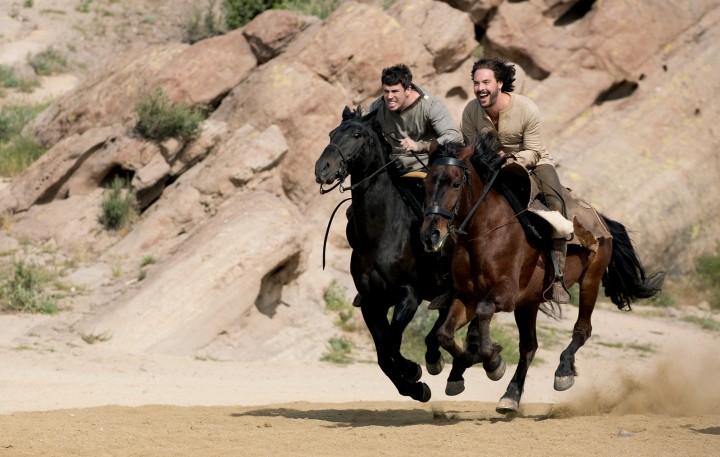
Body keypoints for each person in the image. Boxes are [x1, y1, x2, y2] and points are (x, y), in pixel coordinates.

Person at [460, 56, 571, 304]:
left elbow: (534, 150)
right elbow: (470, 150)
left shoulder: (526, 108)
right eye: (476, 83)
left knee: (556, 204)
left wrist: (509, 158)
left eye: (486, 82)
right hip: (490, 167)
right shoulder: (470, 111)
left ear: (500, 83)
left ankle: (557, 279)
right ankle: (451, 279)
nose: (480, 88)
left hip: (533, 162)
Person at [366, 63, 462, 173]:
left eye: (395, 91)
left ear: (408, 90)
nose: (389, 97)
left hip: (428, 167)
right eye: (386, 91)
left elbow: (454, 136)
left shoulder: (430, 105)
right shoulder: (378, 106)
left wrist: (420, 146)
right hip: (392, 167)